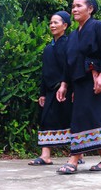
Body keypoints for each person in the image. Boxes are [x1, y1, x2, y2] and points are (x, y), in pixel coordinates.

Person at [56, 0, 101, 174]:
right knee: (90, 119)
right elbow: (69, 61)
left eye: (79, 6)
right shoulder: (73, 35)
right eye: (73, 6)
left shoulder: (98, 26)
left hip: (95, 79)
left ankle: (74, 159)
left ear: (90, 9)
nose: (74, 9)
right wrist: (65, 84)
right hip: (79, 83)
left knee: (83, 119)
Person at [29, 11, 73, 166]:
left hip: (66, 89)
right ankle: (45, 155)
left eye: (56, 22)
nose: (52, 25)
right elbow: (45, 72)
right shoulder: (48, 48)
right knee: (46, 119)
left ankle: (76, 155)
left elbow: (71, 67)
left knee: (71, 120)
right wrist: (42, 93)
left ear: (65, 25)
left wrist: (67, 86)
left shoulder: (69, 44)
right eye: (51, 23)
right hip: (50, 90)